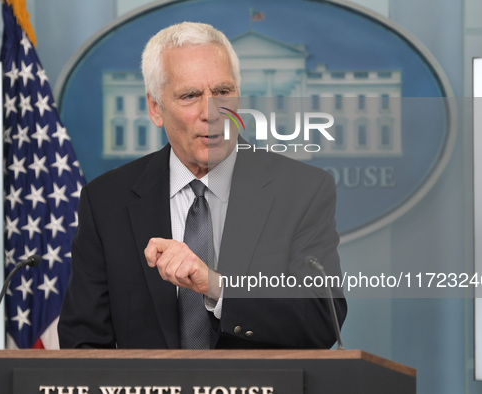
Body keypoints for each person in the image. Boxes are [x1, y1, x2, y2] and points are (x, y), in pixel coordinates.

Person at [58, 22, 346, 349]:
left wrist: (217, 287)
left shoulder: (302, 190)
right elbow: (83, 343)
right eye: (191, 95)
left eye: (222, 92)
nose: (210, 113)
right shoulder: (106, 201)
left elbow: (324, 318)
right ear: (155, 108)